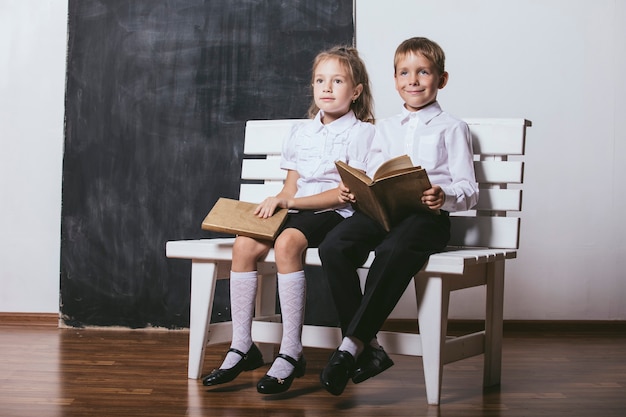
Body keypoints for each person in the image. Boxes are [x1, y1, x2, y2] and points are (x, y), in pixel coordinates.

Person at [201, 45, 376, 395]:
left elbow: (345, 194)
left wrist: (290, 200)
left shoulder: (362, 133)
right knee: (245, 243)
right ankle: (242, 345)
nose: (326, 88)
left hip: (333, 213)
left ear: (355, 92)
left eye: (337, 81)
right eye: (320, 80)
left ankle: (291, 351)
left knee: (287, 242)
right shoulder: (301, 132)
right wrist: (279, 201)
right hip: (297, 208)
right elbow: (291, 184)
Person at [318, 37, 479, 396]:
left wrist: (444, 195)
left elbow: (469, 188)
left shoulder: (453, 128)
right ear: (394, 80)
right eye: (404, 73)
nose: (414, 80)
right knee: (334, 246)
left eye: (424, 72)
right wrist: (357, 188)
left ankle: (352, 346)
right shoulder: (385, 128)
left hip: (427, 218)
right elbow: (372, 171)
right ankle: (371, 348)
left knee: (392, 250)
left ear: (442, 79)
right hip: (384, 211)